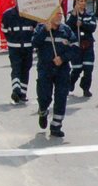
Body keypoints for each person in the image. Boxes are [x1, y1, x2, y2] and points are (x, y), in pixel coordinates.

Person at [32, 9, 79, 139]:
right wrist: (44, 31)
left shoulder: (66, 30)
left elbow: (75, 48)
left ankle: (56, 125)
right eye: (57, 13)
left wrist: (63, 58)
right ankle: (43, 111)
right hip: (45, 68)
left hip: (62, 70)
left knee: (61, 97)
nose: (60, 16)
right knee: (44, 95)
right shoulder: (41, 28)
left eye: (61, 14)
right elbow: (34, 43)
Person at [1, 2, 36, 104]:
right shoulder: (8, 14)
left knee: (26, 69)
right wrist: (12, 40)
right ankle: (16, 90)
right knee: (16, 68)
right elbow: (4, 30)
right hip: (14, 47)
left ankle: (23, 93)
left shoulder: (31, 14)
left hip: (28, 47)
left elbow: (36, 29)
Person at [68, 0, 98, 97]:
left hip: (88, 44)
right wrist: (73, 15)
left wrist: (83, 24)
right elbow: (67, 27)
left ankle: (86, 88)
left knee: (88, 67)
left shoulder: (90, 15)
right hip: (76, 46)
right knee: (77, 68)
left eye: (85, 1)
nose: (83, 3)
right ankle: (70, 82)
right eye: (80, 1)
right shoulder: (71, 14)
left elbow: (93, 27)